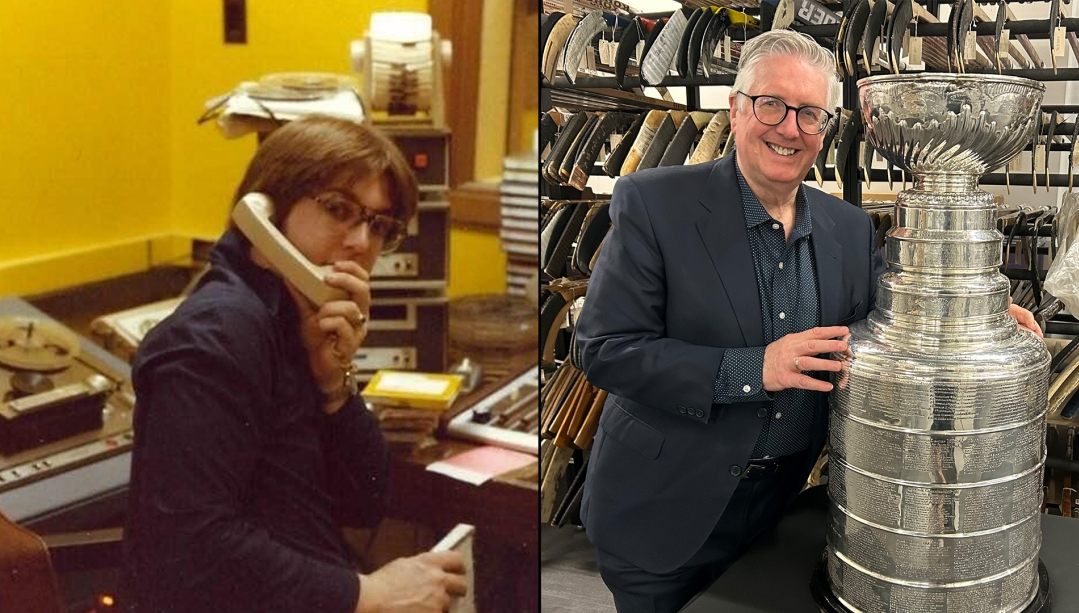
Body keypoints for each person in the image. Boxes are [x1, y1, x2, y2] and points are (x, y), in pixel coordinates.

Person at [573, 30, 1042, 613]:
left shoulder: (848, 226)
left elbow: (887, 312)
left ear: (826, 127)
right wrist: (753, 370)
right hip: (665, 512)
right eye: (771, 104)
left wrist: (972, 316)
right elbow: (606, 349)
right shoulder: (653, 203)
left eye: (810, 114)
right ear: (735, 107)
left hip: (782, 512)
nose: (790, 128)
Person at [123, 115, 467, 613]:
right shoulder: (217, 336)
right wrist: (369, 595)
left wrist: (334, 384)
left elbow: (365, 503)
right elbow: (190, 549)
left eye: (379, 226)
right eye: (339, 209)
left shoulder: (294, 321)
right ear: (265, 212)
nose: (361, 242)